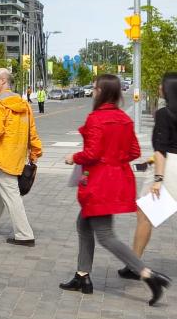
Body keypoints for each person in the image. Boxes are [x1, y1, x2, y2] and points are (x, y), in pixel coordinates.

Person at [60, 74, 169, 305]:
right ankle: (82, 276)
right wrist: (114, 156)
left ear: (100, 91)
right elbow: (133, 151)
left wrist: (73, 157)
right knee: (83, 224)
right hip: (117, 179)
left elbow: (91, 153)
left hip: (99, 182)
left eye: (95, 88)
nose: (94, 91)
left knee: (106, 235)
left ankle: (147, 274)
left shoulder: (95, 118)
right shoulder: (123, 118)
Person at [118, 73, 177, 279]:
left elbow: (161, 149)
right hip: (168, 165)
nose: (159, 87)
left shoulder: (164, 114)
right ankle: (134, 263)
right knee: (146, 215)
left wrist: (158, 180)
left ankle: (135, 265)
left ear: (168, 89)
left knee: (144, 215)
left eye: (161, 84)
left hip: (167, 168)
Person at [0, 66, 42, 245]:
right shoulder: (23, 104)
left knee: (11, 195)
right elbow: (32, 132)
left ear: (3, 81)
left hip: (3, 157)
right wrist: (35, 152)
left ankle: (24, 234)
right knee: (2, 190)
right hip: (17, 156)